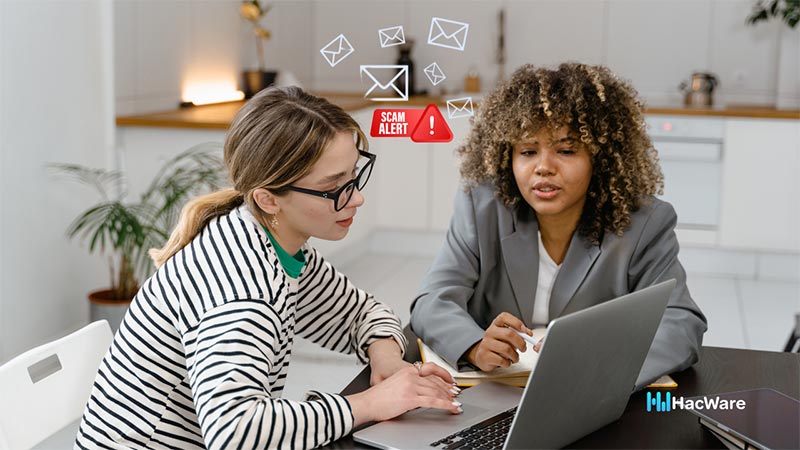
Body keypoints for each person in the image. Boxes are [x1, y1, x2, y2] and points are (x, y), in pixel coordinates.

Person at [75, 86, 462, 450]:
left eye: (354, 176)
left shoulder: (271, 243)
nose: (356, 197)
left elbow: (361, 312)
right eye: (334, 187)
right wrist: (369, 404)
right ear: (269, 198)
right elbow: (235, 431)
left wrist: (387, 361)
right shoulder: (244, 289)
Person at [410, 63, 707, 390]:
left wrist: (601, 369)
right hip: (492, 395)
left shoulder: (643, 222)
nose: (543, 168)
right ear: (507, 157)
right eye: (527, 151)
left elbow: (681, 324)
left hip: (590, 401)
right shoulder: (482, 206)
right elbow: (432, 300)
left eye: (566, 150)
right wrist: (474, 345)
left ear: (600, 157)